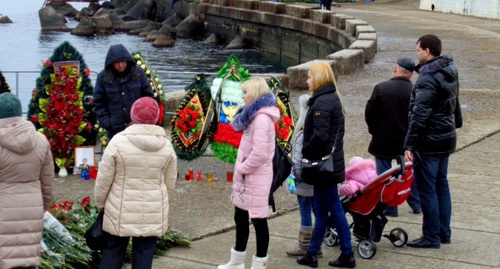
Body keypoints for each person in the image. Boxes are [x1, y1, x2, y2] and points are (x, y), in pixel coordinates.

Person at [94, 97, 177, 268]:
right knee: (144, 256)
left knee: (112, 253)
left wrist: (100, 203)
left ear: (133, 116)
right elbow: (170, 183)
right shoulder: (166, 146)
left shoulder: (117, 142)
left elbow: (104, 180)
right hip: (152, 210)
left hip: (119, 208)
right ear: (156, 118)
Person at [405, 34, 462, 249]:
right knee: (441, 186)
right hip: (446, 137)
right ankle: (443, 232)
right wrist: (454, 126)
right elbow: (455, 102)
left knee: (428, 188)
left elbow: (420, 114)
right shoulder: (451, 70)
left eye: (418, 49)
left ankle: (431, 236)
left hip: (429, 141)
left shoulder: (427, 78)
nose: (417, 53)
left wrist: (409, 144)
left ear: (427, 51)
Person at [297, 62, 355, 268]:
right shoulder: (332, 98)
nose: (307, 80)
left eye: (310, 77)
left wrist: (304, 151)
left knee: (334, 209)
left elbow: (320, 137)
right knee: (321, 209)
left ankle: (347, 253)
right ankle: (311, 253)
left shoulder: (321, 103)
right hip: (329, 164)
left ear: (319, 78)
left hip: (323, 166)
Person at [218, 77, 280, 269]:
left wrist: (242, 168)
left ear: (254, 95)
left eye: (245, 93)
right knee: (241, 216)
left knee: (258, 219)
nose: (243, 96)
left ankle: (259, 262)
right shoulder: (256, 115)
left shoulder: (261, 118)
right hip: (249, 176)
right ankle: (237, 261)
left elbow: (260, 153)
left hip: (255, 176)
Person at [0, 93, 55, 268]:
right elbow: (47, 182)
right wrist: (44, 206)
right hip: (32, 206)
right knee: (27, 256)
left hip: (3, 206)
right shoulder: (40, 140)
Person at [365, 57, 421, 217]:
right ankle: (415, 203)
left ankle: (390, 206)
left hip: (383, 138)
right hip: (406, 139)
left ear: (395, 68)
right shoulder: (415, 91)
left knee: (385, 174)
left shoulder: (381, 88)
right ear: (411, 75)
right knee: (408, 173)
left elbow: (370, 112)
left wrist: (374, 130)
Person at [93, 43, 154, 140]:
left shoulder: (138, 74)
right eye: (117, 62)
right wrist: (108, 123)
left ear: (127, 60)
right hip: (115, 131)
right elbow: (98, 103)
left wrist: (141, 120)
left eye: (123, 61)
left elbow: (148, 97)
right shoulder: (102, 78)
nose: (120, 65)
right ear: (111, 63)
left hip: (137, 128)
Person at [286, 94, 322, 258]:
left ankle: (305, 245)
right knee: (317, 210)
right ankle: (316, 244)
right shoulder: (318, 129)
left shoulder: (301, 133)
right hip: (316, 177)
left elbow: (297, 160)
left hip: (304, 179)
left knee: (305, 210)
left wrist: (295, 177)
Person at [339, 156, 377, 241]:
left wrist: (339, 191)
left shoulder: (354, 179)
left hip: (360, 205)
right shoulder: (374, 176)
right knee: (365, 218)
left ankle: (359, 234)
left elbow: (350, 189)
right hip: (373, 203)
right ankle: (366, 233)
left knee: (343, 204)